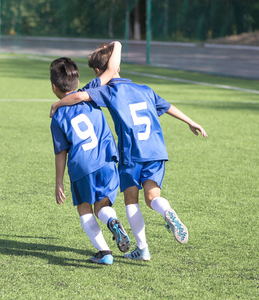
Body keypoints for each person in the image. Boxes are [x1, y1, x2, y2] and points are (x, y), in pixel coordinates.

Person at [50, 43, 208, 262]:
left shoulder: (104, 91)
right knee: (153, 197)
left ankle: (134, 250)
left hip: (128, 154)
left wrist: (56, 106)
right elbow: (168, 106)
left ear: (97, 72)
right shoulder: (145, 89)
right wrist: (191, 121)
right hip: (151, 151)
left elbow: (77, 98)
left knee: (128, 202)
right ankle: (166, 211)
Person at [50, 50, 131, 265]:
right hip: (106, 159)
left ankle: (104, 252)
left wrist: (59, 182)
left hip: (82, 166)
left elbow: (61, 152)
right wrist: (116, 45)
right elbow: (112, 69)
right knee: (102, 207)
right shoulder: (90, 91)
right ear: (76, 81)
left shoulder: (58, 116)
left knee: (84, 208)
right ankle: (112, 221)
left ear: (54, 87)